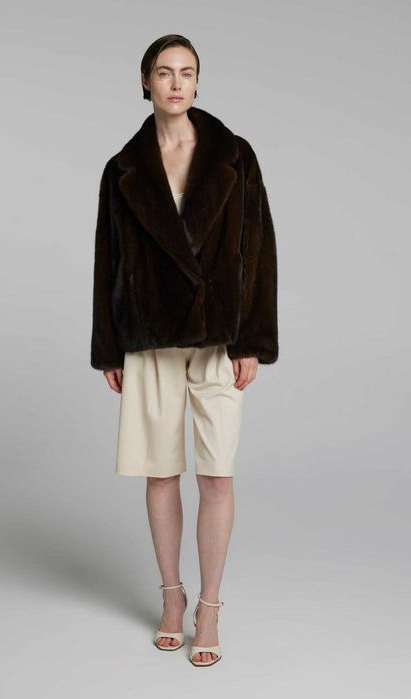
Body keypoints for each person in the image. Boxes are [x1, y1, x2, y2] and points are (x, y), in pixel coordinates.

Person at [90, 34, 279, 667]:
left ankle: (210, 606)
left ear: (198, 82)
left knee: (217, 472)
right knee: (161, 472)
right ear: (145, 82)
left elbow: (258, 250)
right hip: (149, 335)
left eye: (187, 72)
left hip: (219, 334)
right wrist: (109, 346)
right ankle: (171, 597)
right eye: (165, 72)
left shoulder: (234, 156)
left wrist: (252, 339)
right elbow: (107, 260)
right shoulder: (122, 168)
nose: (177, 83)